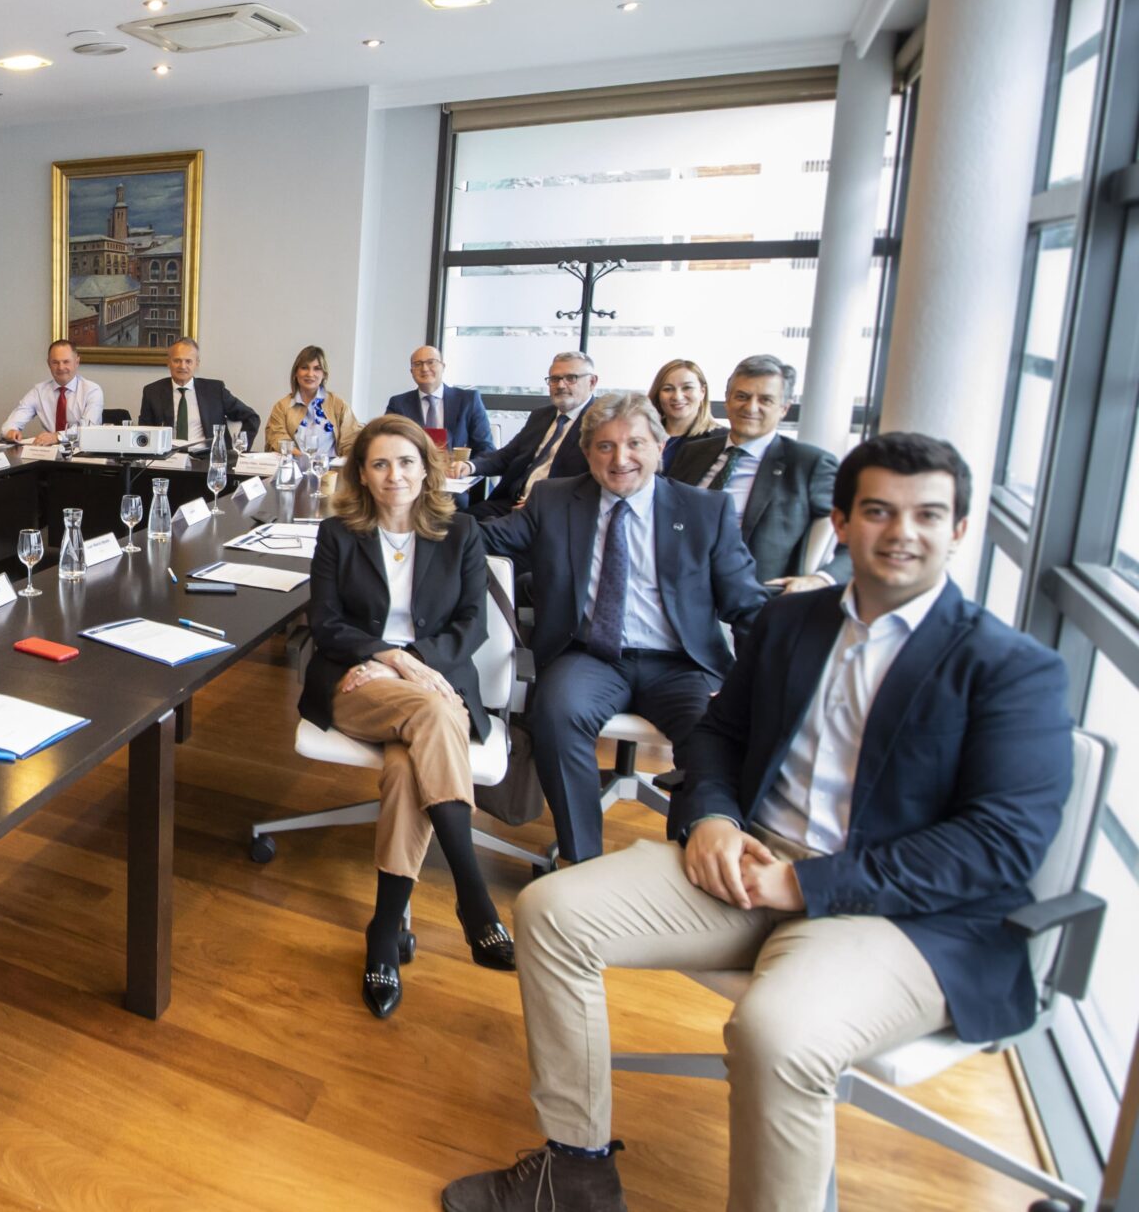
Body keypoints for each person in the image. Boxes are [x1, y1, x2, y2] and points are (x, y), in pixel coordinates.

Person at [442, 434, 1074, 1212]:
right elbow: (719, 734)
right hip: (747, 858)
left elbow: (999, 844)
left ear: (961, 529)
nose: (902, 532)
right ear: (841, 522)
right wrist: (710, 814)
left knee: (774, 1034)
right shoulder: (793, 623)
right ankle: (574, 1172)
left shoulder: (1011, 666)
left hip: (899, 911)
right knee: (549, 910)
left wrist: (806, 884)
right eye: (878, 511)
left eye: (928, 515)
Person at [476, 392, 771, 866]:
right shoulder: (554, 499)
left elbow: (749, 606)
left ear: (659, 447)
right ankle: (582, 863)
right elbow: (485, 538)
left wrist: (749, 685)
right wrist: (404, 515)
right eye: (605, 446)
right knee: (556, 713)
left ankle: (693, 859)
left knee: (712, 733)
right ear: (587, 452)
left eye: (635, 443)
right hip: (589, 656)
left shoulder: (704, 510)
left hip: (681, 664)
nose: (620, 459)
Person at [302, 415, 514, 1019]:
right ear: (362, 475)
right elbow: (326, 624)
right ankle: (473, 896)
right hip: (356, 681)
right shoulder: (337, 534)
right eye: (380, 464)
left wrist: (414, 664)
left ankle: (384, 929)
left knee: (404, 768)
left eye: (406, 462)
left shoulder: (462, 531)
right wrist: (390, 659)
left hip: (433, 682)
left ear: (427, 469)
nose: (394, 475)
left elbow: (471, 623)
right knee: (431, 714)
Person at [666, 355, 847, 592]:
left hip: (752, 596)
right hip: (674, 584)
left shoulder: (809, 464)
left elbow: (856, 535)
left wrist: (822, 579)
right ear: (727, 400)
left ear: (784, 408)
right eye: (742, 396)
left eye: (765, 400)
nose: (751, 407)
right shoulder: (693, 451)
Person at [465, 350, 601, 515]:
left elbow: (592, 483)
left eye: (571, 378)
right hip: (511, 503)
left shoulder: (600, 423)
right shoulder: (541, 416)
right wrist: (470, 466)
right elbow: (507, 456)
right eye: (555, 379)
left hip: (554, 512)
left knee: (468, 528)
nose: (560, 385)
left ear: (592, 382)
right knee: (456, 521)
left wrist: (541, 503)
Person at [141, 337, 260, 449]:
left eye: (188, 361)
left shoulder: (215, 390)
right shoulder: (152, 392)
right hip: (168, 457)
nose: (182, 366)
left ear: (197, 363)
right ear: (168, 362)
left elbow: (251, 417)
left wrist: (240, 447)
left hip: (207, 457)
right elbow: (143, 431)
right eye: (177, 360)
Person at [385, 345, 496, 458]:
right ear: (411, 372)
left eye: (431, 362)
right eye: (418, 364)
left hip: (457, 468)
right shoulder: (398, 404)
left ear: (443, 366)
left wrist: (467, 466)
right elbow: (387, 445)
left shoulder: (468, 400)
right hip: (414, 468)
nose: (424, 368)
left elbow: (486, 449)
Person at [259, 343, 357, 456]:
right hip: (293, 464)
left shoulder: (339, 405)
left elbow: (351, 442)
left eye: (317, 368)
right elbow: (277, 438)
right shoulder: (281, 406)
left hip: (331, 467)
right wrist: (302, 459)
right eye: (304, 368)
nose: (310, 374)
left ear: (324, 374)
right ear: (296, 373)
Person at [1, 339, 105, 445]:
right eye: (55, 362)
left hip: (83, 451)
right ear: (48, 364)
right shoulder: (39, 391)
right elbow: (9, 424)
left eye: (66, 362)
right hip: (49, 452)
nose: (61, 367)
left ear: (77, 362)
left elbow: (88, 429)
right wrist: (11, 432)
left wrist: (57, 436)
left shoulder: (92, 391)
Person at [649, 358, 722, 468]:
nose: (677, 397)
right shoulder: (645, 436)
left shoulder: (722, 439)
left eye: (687, 387)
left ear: (702, 392)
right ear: (658, 394)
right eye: (668, 389)